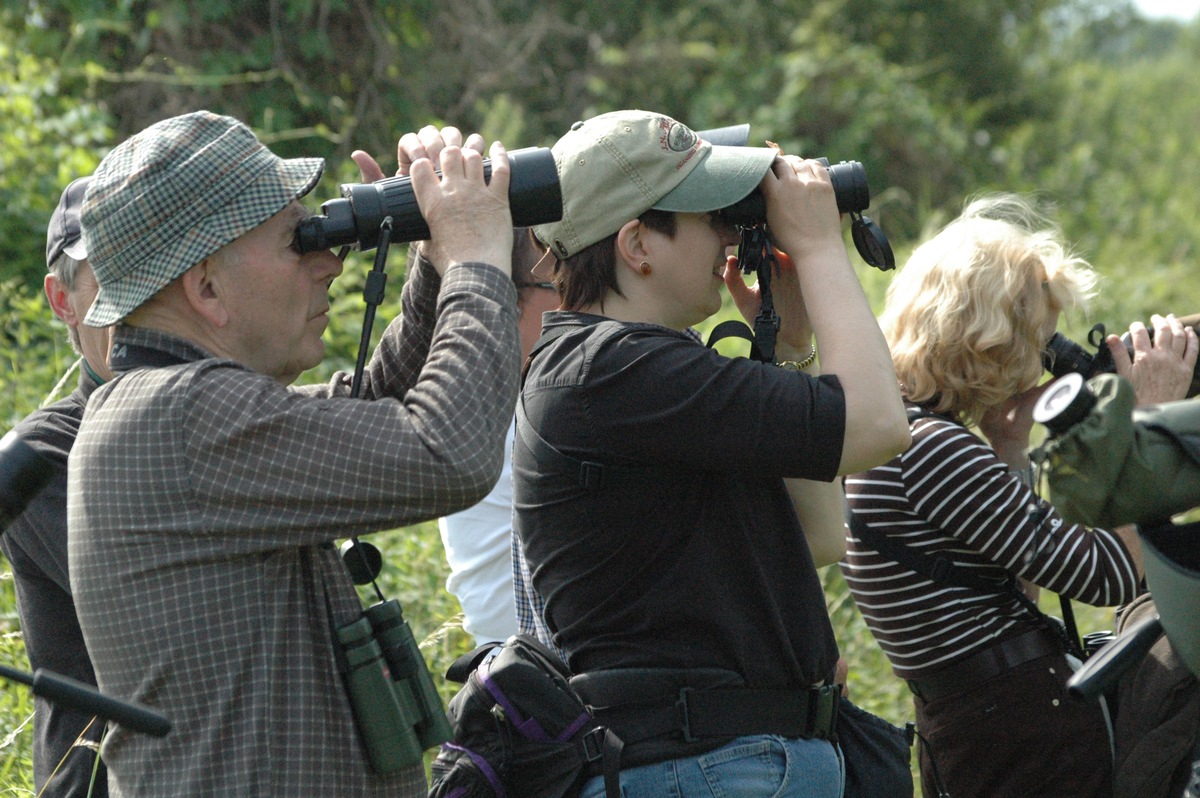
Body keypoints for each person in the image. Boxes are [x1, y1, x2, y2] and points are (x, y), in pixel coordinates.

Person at [66, 111, 520, 797]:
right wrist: (478, 260)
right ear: (207, 288)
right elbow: (446, 451)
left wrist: (432, 257)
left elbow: (373, 408)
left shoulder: (162, 414)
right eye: (294, 241)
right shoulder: (179, 416)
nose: (329, 261)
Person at [511, 109, 910, 798]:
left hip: (722, 762)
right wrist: (818, 251)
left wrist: (787, 350)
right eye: (707, 217)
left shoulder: (639, 371)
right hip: (703, 768)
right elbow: (876, 425)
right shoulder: (616, 370)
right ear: (638, 244)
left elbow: (817, 535)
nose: (730, 234)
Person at [840, 193, 1198, 797]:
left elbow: (1011, 589)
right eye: (1038, 343)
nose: (1040, 367)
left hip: (986, 728)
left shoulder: (903, 434)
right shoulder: (930, 450)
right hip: (1020, 734)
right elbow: (1109, 578)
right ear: (991, 338)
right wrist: (1146, 418)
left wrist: (1008, 444)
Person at [0, 176, 111, 797]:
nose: (133, 299)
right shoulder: (44, 454)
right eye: (106, 279)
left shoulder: (205, 413)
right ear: (61, 300)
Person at [437, 228, 558, 645]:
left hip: (521, 680)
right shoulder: (537, 410)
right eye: (562, 284)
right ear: (504, 297)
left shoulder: (487, 395)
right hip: (552, 689)